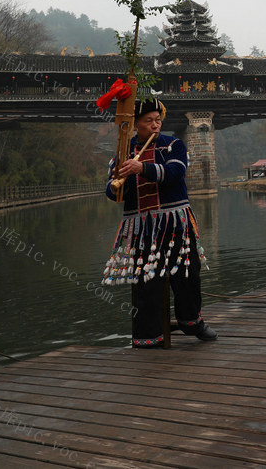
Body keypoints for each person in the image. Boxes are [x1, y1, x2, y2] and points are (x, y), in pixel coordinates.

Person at [100, 97, 216, 348]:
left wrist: (142, 168)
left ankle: (191, 322)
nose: (155, 125)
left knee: (187, 274)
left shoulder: (173, 145)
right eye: (148, 121)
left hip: (174, 223)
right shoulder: (122, 155)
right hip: (142, 229)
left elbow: (175, 173)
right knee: (145, 283)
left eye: (158, 120)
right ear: (135, 125)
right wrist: (119, 180)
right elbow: (112, 193)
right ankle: (148, 336)